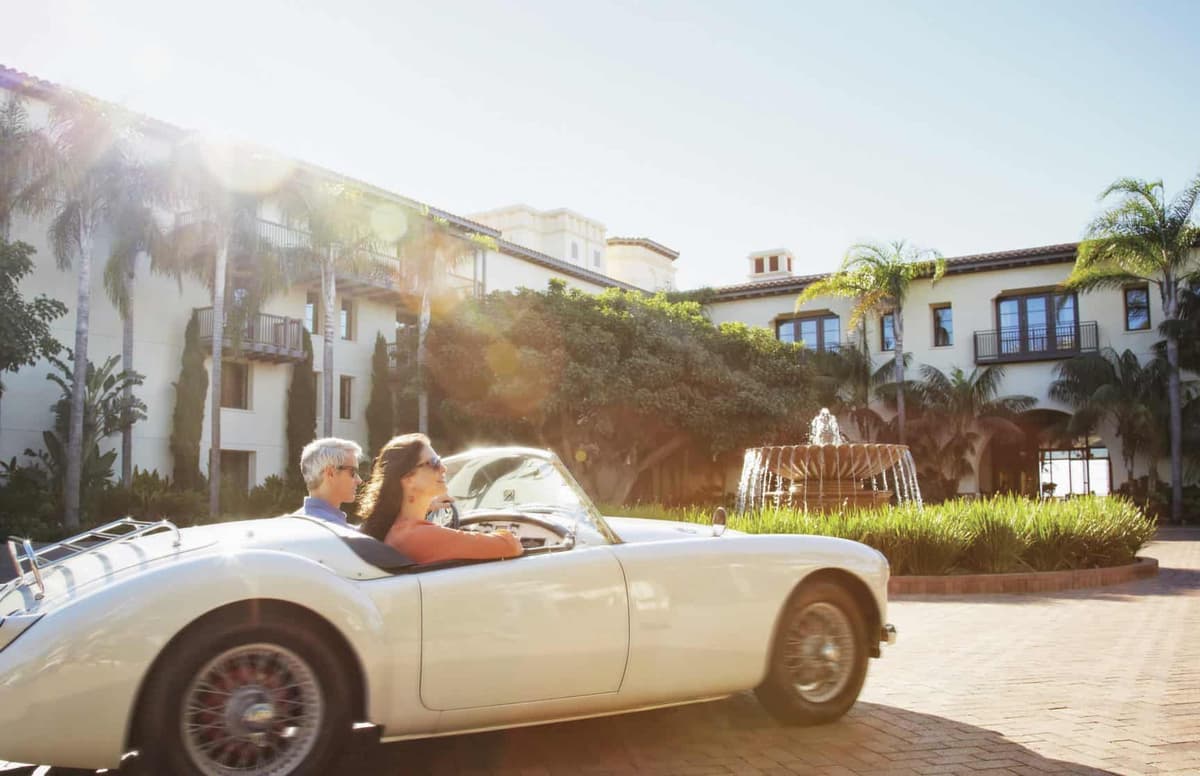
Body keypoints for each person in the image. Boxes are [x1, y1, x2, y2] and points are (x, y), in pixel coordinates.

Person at [359, 433, 523, 563]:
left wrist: (427, 504)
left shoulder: (397, 530)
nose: (443, 468)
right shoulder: (416, 536)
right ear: (408, 479)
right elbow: (510, 545)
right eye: (434, 463)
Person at [295, 437, 364, 526]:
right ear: (330, 473)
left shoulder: (287, 524)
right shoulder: (338, 530)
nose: (359, 480)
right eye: (353, 472)